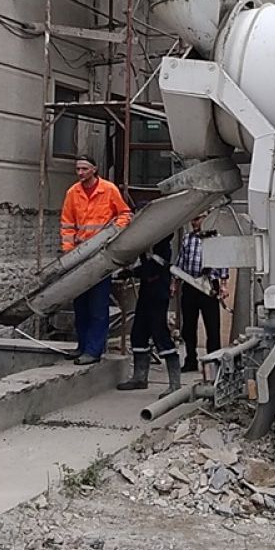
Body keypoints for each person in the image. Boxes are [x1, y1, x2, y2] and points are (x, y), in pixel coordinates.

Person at [60, 154, 131, 364]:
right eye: (78, 169)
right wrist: (68, 251)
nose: (80, 173)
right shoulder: (73, 193)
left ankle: (93, 350)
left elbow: (125, 214)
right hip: (80, 256)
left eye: (84, 169)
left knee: (98, 306)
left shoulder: (108, 190)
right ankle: (82, 346)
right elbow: (67, 224)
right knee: (81, 305)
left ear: (94, 169)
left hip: (101, 256)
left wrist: (113, 233)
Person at [116, 234, 180, 396]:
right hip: (146, 292)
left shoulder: (163, 247)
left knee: (160, 334)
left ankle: (175, 384)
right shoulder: (148, 245)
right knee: (138, 333)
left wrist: (132, 272)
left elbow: (152, 268)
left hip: (158, 294)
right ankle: (139, 378)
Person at [174, 214, 228, 372]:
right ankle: (190, 359)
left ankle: (214, 361)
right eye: (193, 219)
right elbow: (181, 262)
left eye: (198, 219)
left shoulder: (216, 239)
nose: (195, 223)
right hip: (190, 284)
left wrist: (223, 285)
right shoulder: (187, 239)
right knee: (188, 326)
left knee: (212, 326)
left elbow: (223, 264)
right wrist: (174, 282)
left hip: (209, 286)